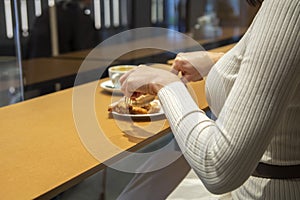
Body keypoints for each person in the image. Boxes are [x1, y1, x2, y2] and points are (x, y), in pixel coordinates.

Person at [119, 0, 300, 199]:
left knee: (142, 186)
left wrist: (163, 83)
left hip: (263, 190)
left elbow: (219, 169)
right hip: (253, 182)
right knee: (154, 172)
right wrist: (219, 62)